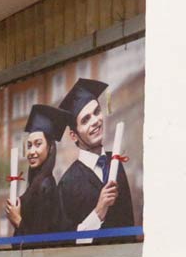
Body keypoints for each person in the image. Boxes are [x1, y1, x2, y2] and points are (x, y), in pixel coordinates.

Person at [55, 78, 134, 232]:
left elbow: (129, 221)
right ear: (73, 135)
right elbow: (67, 244)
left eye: (96, 112)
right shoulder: (67, 184)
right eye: (85, 120)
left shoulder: (116, 162)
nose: (95, 121)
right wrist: (99, 211)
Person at [5, 104, 69, 238]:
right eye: (29, 146)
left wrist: (17, 219)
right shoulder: (36, 183)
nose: (31, 152)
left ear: (50, 148)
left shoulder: (46, 186)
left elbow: (41, 241)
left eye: (38, 144)